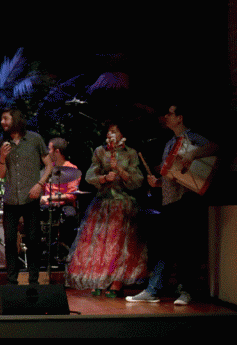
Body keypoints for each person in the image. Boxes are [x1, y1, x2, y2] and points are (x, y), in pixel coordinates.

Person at [127, 104, 218, 305]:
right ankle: (153, 289)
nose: (166, 117)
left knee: (186, 247)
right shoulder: (170, 143)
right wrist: (158, 183)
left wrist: (192, 154)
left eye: (170, 113)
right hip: (169, 200)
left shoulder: (192, 137)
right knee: (164, 246)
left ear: (180, 118)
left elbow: (214, 147)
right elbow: (172, 174)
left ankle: (186, 290)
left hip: (186, 200)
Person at [67, 122, 146, 298]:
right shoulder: (100, 151)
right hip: (103, 203)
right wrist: (103, 178)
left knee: (119, 245)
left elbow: (137, 181)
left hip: (122, 203)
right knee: (99, 244)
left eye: (115, 130)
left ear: (122, 134)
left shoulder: (131, 153)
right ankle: (100, 280)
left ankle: (116, 282)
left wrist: (119, 170)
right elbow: (90, 176)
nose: (111, 133)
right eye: (109, 131)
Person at [0, 107, 52, 286]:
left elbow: (49, 166)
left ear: (16, 119)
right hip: (11, 199)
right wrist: (2, 157)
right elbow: (1, 174)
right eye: (2, 119)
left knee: (34, 240)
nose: (2, 122)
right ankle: (12, 281)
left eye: (6, 119)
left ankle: (33, 280)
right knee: (10, 241)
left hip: (31, 198)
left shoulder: (34, 139)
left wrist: (40, 184)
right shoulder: (1, 142)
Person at [41, 138, 80, 209]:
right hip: (47, 205)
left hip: (64, 205)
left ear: (57, 152)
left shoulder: (72, 169)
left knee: (69, 215)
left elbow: (71, 195)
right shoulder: (48, 167)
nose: (47, 152)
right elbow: (43, 189)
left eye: (49, 149)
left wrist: (49, 198)